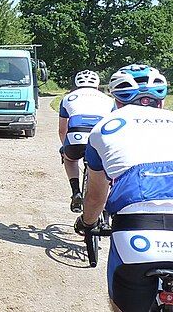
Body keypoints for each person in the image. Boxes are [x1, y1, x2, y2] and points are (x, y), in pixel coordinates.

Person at [75, 64, 172, 312]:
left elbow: (96, 196)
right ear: (161, 101)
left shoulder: (104, 129)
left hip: (137, 232)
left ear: (116, 101)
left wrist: (87, 223)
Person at [59, 69, 114, 212]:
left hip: (76, 137)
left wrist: (64, 147)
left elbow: (62, 130)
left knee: (70, 159)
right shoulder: (109, 100)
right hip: (100, 137)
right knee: (104, 165)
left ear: (76, 84)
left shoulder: (68, 98)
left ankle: (76, 191)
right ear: (97, 84)